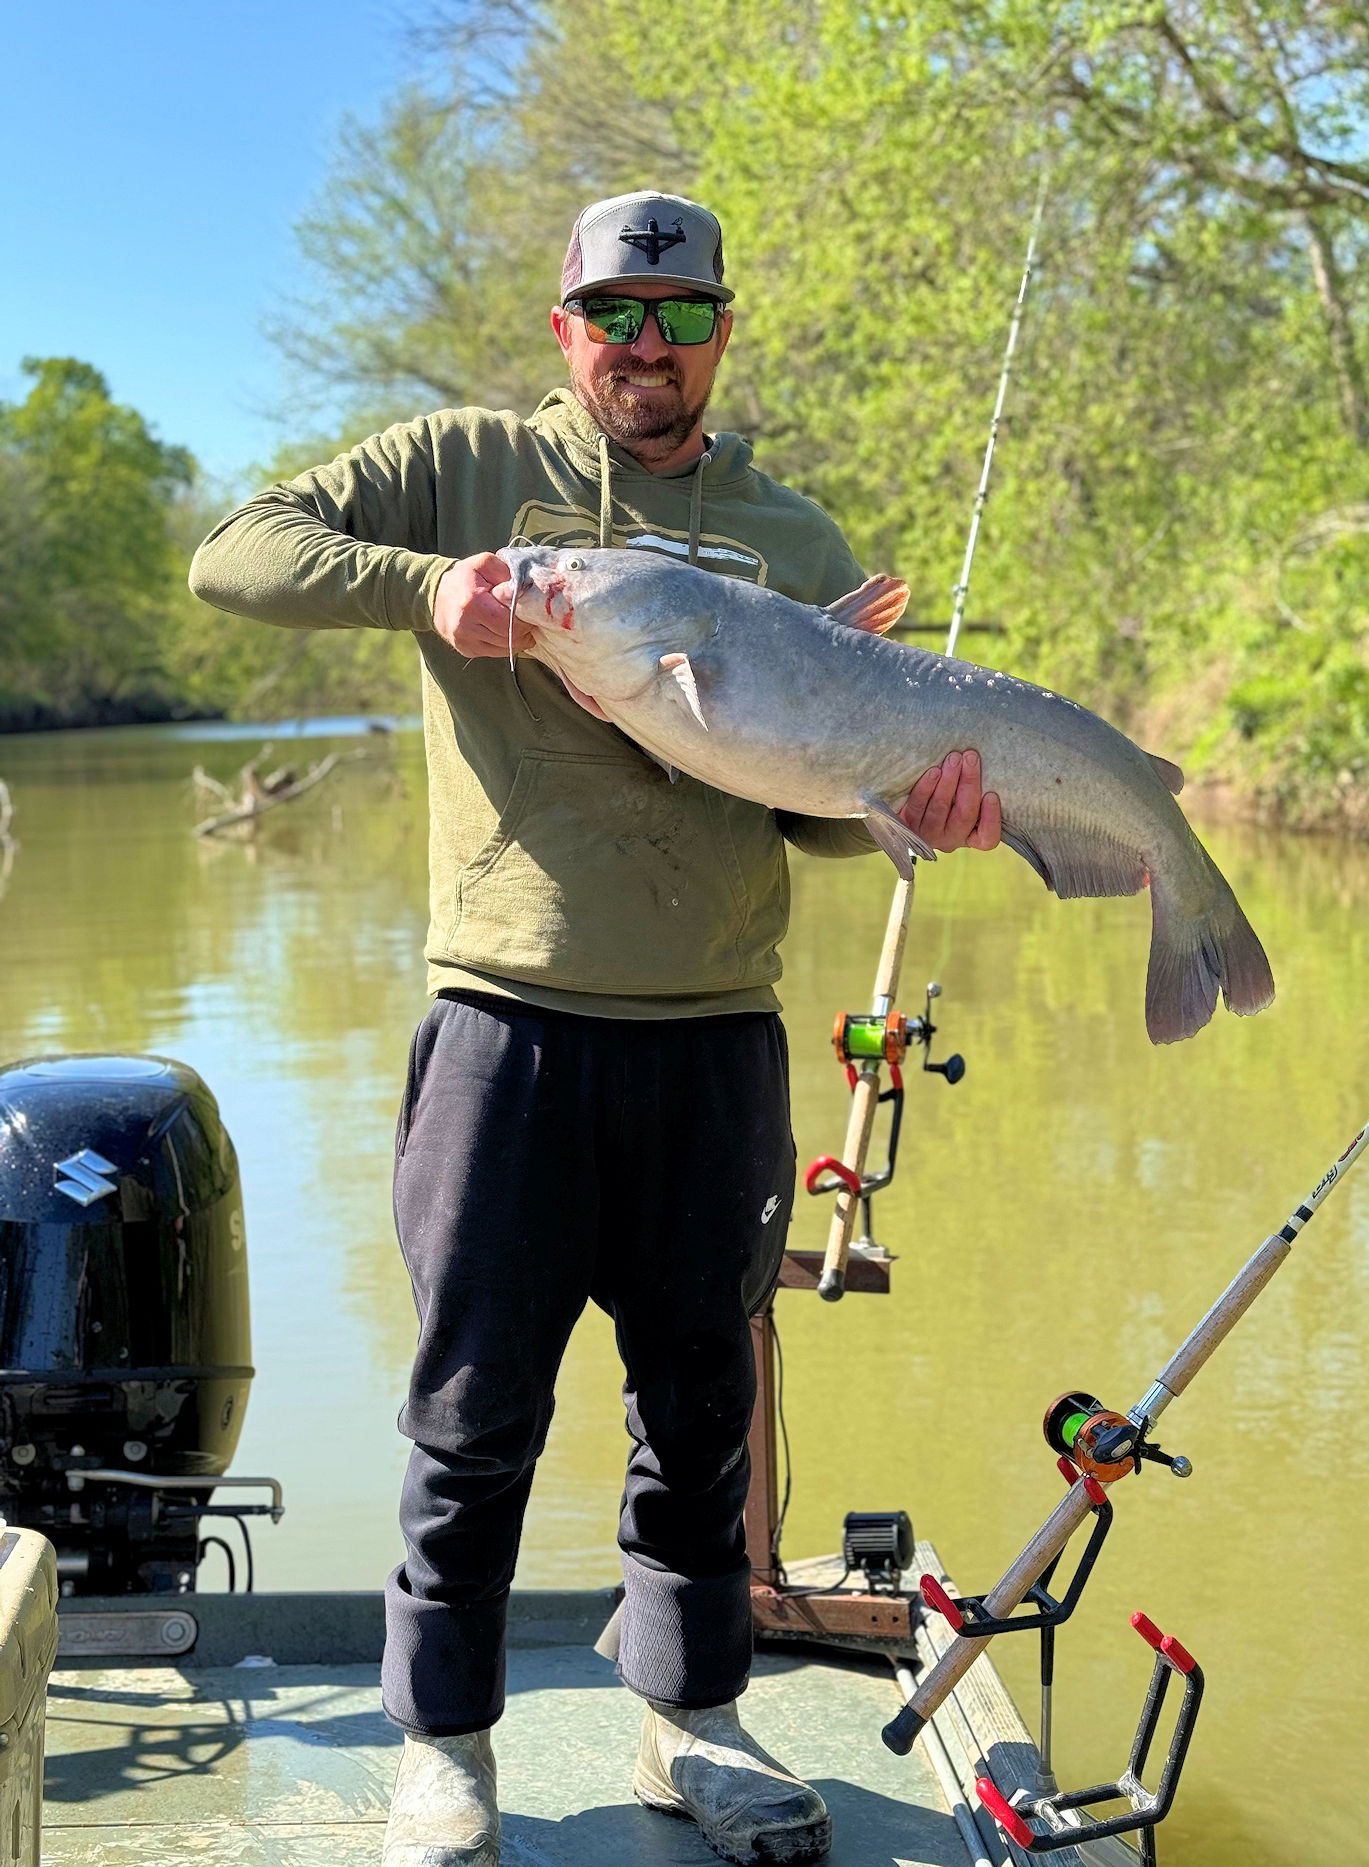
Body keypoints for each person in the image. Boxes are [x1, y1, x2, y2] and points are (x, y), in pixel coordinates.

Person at [190, 190, 1000, 1867]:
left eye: (680, 315)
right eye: (615, 312)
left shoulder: (795, 541)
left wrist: (917, 802)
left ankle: (690, 1726)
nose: (648, 343)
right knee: (471, 1410)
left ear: (720, 333)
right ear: (566, 327)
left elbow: (822, 814)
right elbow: (236, 553)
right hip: (507, 1026)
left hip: (717, 1035)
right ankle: (444, 1754)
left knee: (702, 1406)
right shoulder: (472, 468)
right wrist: (435, 595)